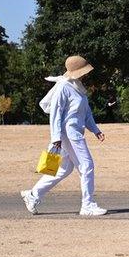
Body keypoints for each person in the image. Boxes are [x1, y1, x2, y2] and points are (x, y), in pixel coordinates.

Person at [20, 55, 108, 216]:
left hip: (74, 132)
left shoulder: (78, 87)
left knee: (64, 169)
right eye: (84, 71)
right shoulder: (63, 87)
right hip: (69, 134)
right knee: (87, 166)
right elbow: (55, 114)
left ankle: (32, 195)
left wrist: (95, 130)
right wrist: (56, 138)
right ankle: (87, 205)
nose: (87, 74)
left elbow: (86, 113)